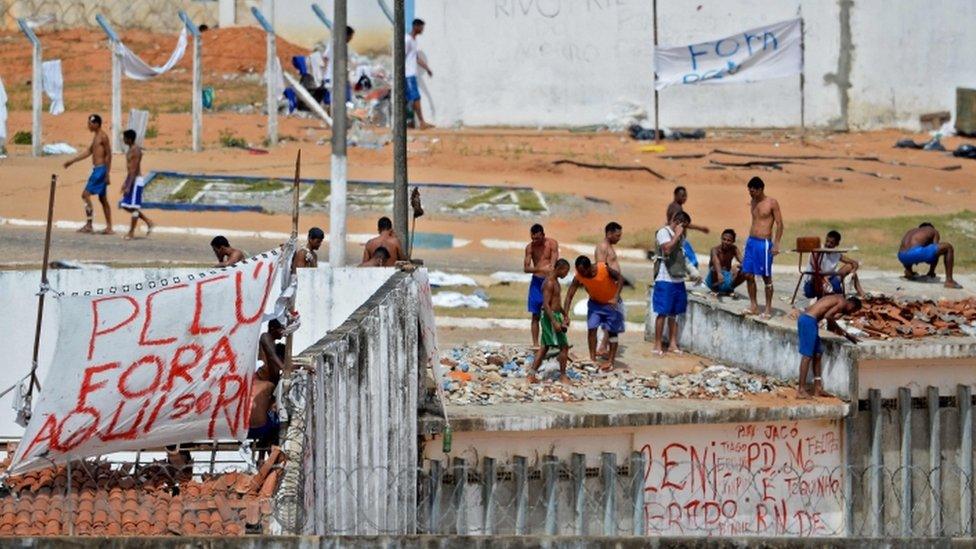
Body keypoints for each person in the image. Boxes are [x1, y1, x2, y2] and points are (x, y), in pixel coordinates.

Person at [563, 256, 624, 371]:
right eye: (579, 271)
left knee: (612, 333)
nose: (581, 274)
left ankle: (610, 361)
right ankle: (593, 359)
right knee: (592, 329)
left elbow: (620, 279)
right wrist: (566, 315)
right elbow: (569, 295)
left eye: (583, 271)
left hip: (611, 304)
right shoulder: (579, 276)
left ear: (589, 267)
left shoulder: (603, 269)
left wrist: (616, 297)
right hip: (595, 304)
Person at [796, 294, 861, 397]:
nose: (851, 313)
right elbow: (828, 316)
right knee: (807, 356)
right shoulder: (842, 302)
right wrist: (844, 333)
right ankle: (801, 390)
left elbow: (830, 324)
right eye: (853, 311)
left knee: (817, 354)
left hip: (810, 321)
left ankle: (818, 388)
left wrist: (847, 336)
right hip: (808, 321)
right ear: (852, 305)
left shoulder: (838, 300)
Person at [64, 114, 114, 235]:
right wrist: (73, 161)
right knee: (103, 199)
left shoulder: (102, 136)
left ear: (96, 124)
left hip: (100, 171)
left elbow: (109, 154)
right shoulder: (96, 137)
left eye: (90, 124)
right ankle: (109, 227)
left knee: (85, 195)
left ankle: (89, 224)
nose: (88, 126)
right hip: (97, 170)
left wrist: (107, 173)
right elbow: (89, 152)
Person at [742, 177, 784, 318]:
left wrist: (776, 243)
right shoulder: (753, 202)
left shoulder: (772, 203)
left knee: (766, 277)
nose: (750, 193)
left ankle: (767, 309)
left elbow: (780, 224)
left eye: (752, 191)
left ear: (760, 189)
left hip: (764, 244)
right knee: (747, 273)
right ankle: (753, 306)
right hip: (751, 242)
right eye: (749, 191)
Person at [652, 211, 692, 355]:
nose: (685, 229)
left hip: (678, 278)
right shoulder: (663, 232)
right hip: (665, 278)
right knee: (662, 312)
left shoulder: (681, 237)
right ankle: (657, 345)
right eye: (684, 226)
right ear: (677, 222)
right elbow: (667, 249)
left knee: (675, 312)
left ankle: (672, 343)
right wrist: (676, 235)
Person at [527, 259, 572, 384]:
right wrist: (554, 322)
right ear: (560, 269)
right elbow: (546, 305)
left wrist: (564, 315)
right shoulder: (549, 283)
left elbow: (556, 303)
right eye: (566, 272)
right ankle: (563, 376)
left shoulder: (556, 281)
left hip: (555, 315)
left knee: (544, 348)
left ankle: (531, 375)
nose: (566, 275)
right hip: (550, 317)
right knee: (564, 347)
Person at [249, 319, 287, 442]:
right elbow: (272, 356)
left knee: (271, 420)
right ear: (272, 329)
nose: (282, 332)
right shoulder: (265, 337)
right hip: (261, 381)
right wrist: (285, 369)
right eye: (280, 329)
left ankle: (262, 457)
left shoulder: (274, 345)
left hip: (268, 386)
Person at [523, 223, 560, 347]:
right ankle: (535, 344)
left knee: (552, 313)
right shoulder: (530, 248)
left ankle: (551, 342)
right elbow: (526, 268)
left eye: (537, 238)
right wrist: (540, 270)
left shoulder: (552, 244)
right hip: (536, 282)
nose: (535, 241)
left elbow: (554, 264)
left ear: (543, 235)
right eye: (533, 238)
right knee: (535, 315)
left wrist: (550, 272)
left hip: (549, 282)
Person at [803, 230, 865, 298]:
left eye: (831, 243)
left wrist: (853, 272)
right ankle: (826, 291)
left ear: (837, 244)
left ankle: (862, 294)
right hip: (814, 283)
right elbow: (813, 263)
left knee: (849, 266)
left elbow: (854, 263)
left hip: (830, 281)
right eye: (827, 241)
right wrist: (823, 277)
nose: (828, 244)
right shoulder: (818, 248)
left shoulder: (836, 253)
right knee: (816, 274)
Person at [898, 223, 962, 289]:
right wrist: (932, 270)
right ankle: (949, 281)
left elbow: (907, 248)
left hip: (901, 256)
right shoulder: (933, 230)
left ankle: (909, 271)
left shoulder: (911, 231)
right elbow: (935, 248)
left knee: (909, 251)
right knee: (948, 247)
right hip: (916, 253)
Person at [117, 129, 154, 240]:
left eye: (124, 138)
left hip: (136, 181)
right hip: (131, 179)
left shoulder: (136, 151)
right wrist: (125, 182)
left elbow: (134, 169)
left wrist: (129, 185)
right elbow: (130, 170)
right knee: (125, 205)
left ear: (129, 139)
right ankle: (148, 221)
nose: (123, 140)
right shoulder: (130, 150)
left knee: (134, 207)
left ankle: (131, 232)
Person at [594, 222, 624, 357]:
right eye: (617, 235)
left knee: (614, 316)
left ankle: (603, 346)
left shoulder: (609, 247)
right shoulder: (603, 247)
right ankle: (601, 347)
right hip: (608, 286)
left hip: (613, 285)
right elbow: (602, 267)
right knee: (610, 317)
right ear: (609, 233)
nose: (619, 238)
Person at [666, 186, 709, 270]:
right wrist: (701, 228)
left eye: (686, 196)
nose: (685, 198)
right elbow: (678, 222)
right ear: (675, 195)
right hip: (679, 240)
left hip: (677, 239)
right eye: (682, 196)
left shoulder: (673, 206)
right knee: (693, 263)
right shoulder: (676, 208)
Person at [405, 18, 434, 129]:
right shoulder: (407, 40)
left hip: (411, 74)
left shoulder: (413, 40)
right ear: (416, 26)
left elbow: (415, 58)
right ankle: (421, 122)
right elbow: (401, 56)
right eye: (421, 27)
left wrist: (427, 68)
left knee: (408, 99)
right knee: (416, 97)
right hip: (408, 74)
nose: (422, 29)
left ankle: (410, 123)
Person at [319, 26, 355, 112]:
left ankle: (346, 116)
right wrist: (323, 74)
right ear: (346, 35)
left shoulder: (344, 46)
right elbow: (325, 59)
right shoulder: (333, 44)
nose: (351, 39)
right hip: (332, 76)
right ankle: (332, 119)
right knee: (331, 100)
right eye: (350, 36)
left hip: (341, 76)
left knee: (347, 99)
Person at [706, 229, 746, 295]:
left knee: (745, 271)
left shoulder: (734, 249)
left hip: (727, 277)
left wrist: (741, 266)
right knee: (714, 268)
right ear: (721, 239)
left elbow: (741, 260)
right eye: (724, 239)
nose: (725, 242)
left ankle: (729, 289)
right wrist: (719, 273)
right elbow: (716, 261)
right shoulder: (715, 250)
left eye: (728, 240)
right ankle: (715, 290)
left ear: (733, 241)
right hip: (714, 280)